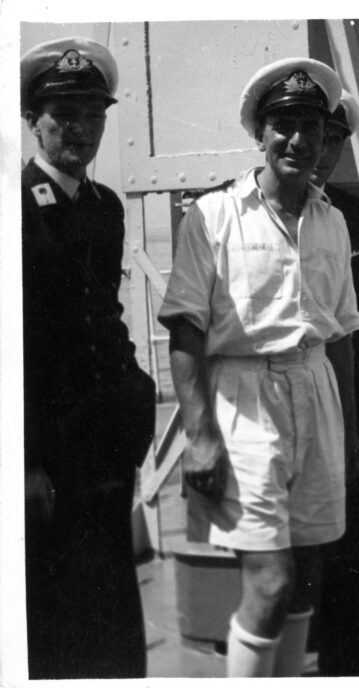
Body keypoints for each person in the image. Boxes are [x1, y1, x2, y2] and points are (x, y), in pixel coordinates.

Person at [158, 57, 359, 678]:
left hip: (316, 392)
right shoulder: (214, 216)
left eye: (312, 127)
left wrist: (351, 431)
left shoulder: (333, 221)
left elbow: (342, 334)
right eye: (284, 126)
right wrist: (199, 436)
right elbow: (186, 330)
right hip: (243, 403)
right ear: (260, 133)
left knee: (306, 575)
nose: (298, 140)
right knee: (270, 582)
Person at [21, 36, 157, 680]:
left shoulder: (104, 207)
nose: (82, 128)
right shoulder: (14, 205)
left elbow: (103, 314)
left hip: (107, 437)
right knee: (52, 608)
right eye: (65, 115)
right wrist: (23, 461)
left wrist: (136, 400)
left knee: (112, 595)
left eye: (94, 115)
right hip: (49, 448)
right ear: (33, 120)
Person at [308, 91, 359, 676]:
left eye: (335, 139)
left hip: (344, 383)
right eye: (316, 134)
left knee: (354, 525)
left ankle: (356, 660)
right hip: (281, 388)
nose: (323, 150)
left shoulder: (355, 215)